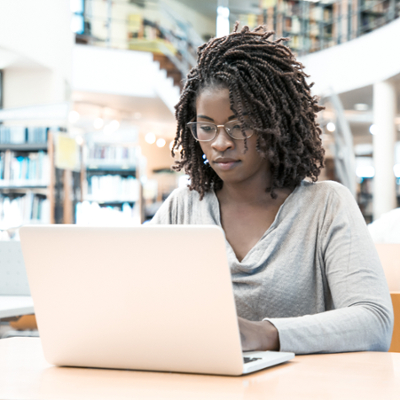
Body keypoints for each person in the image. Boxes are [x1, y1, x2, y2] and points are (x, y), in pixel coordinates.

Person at [149, 23, 394, 354]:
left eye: (239, 127)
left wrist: (266, 334)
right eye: (206, 128)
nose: (220, 143)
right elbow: (140, 297)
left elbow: (374, 321)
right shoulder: (182, 207)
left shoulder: (326, 206)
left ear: (274, 125)